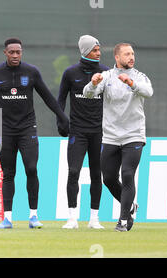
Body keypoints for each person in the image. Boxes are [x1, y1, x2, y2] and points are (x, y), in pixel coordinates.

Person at [0, 38, 70, 229]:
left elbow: (48, 98)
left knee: (31, 169)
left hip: (28, 129)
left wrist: (62, 117)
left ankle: (33, 217)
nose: (16, 55)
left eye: (18, 52)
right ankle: (7, 219)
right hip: (6, 130)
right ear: (5, 53)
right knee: (8, 174)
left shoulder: (31, 72)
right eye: (12, 52)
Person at [83, 42, 153, 232]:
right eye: (127, 54)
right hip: (111, 137)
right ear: (117, 57)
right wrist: (93, 83)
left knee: (128, 174)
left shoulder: (139, 76)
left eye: (132, 53)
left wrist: (131, 84)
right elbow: (87, 94)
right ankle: (129, 205)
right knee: (108, 179)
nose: (131, 57)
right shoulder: (107, 76)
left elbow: (148, 92)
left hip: (133, 135)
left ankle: (123, 220)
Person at [57, 35, 109, 229]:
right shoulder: (70, 73)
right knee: (73, 172)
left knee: (97, 174)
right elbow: (60, 100)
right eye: (95, 50)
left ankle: (94, 219)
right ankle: (72, 218)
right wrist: (61, 121)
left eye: (99, 49)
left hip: (99, 132)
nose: (99, 53)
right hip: (77, 131)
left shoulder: (106, 72)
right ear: (86, 51)